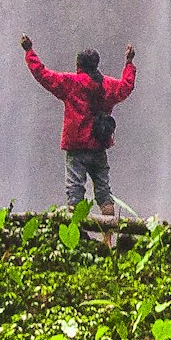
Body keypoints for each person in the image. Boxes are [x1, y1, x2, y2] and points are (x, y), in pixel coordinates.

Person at [22, 35, 137, 215]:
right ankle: (108, 240)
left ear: (78, 66)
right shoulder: (107, 85)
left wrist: (29, 51)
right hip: (99, 146)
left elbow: (43, 75)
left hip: (76, 147)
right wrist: (129, 63)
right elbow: (126, 87)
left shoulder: (72, 83)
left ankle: (78, 235)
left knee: (75, 191)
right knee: (104, 192)